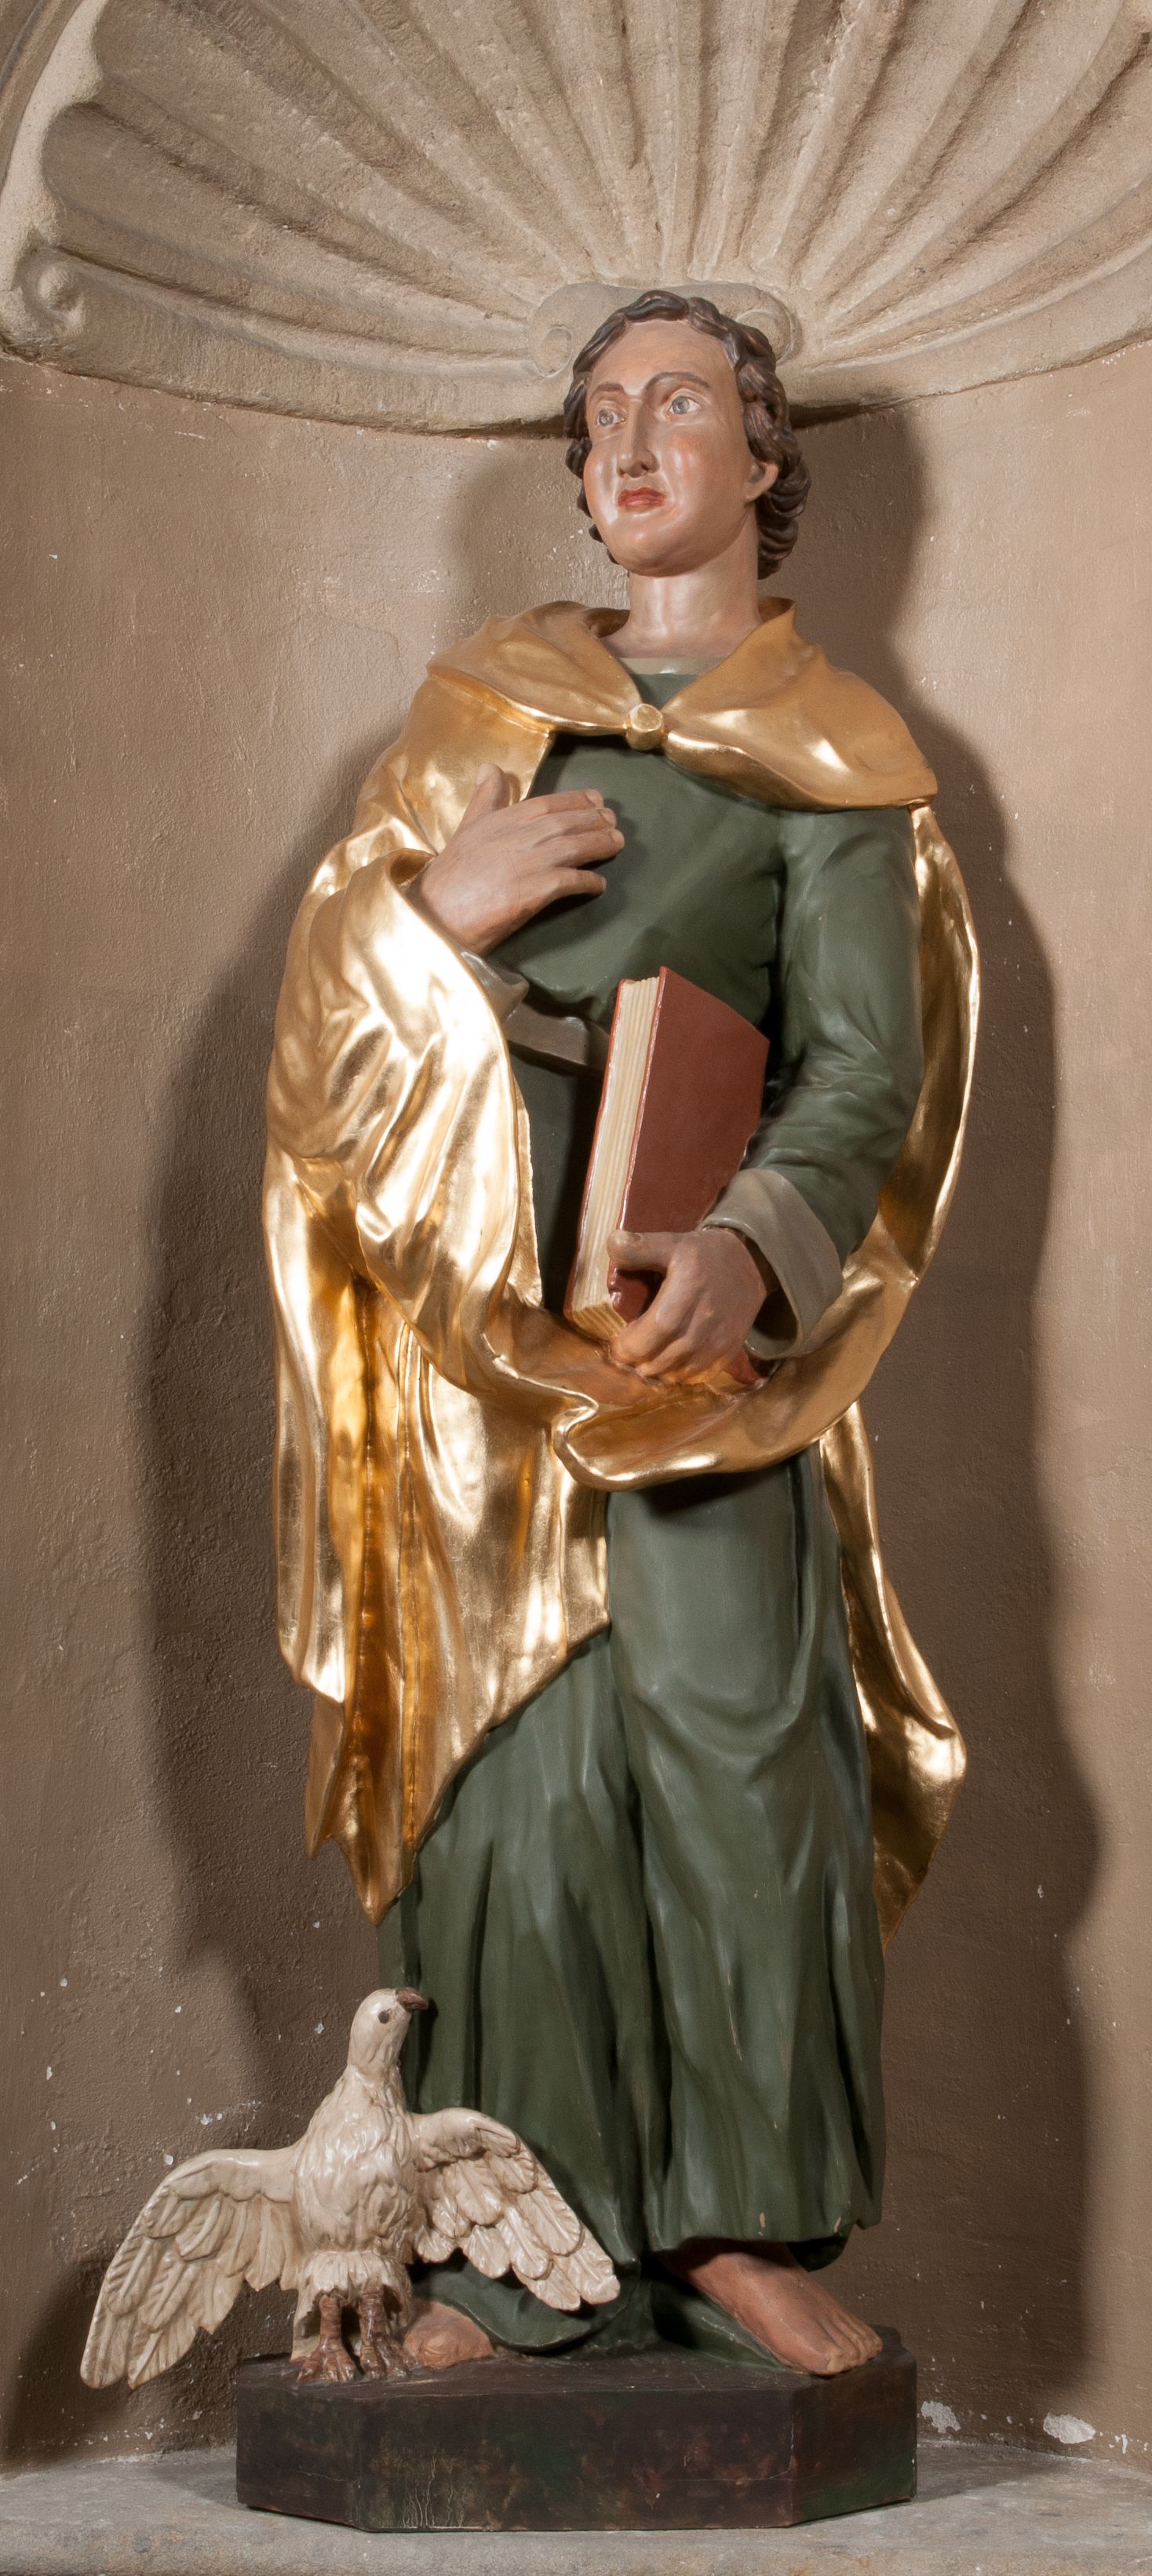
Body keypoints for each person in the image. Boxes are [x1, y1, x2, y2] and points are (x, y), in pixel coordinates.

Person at [264, 291, 976, 2380]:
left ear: (763, 457)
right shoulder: (483, 710)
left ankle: (742, 2230)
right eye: (599, 415)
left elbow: (865, 1067)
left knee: (747, 1747)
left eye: (677, 404)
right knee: (520, 1781)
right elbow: (321, 1022)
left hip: (690, 1329)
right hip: (471, 1312)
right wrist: (429, 913)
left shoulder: (834, 757)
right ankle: (514, 2262)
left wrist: (754, 1247)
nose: (630, 443)